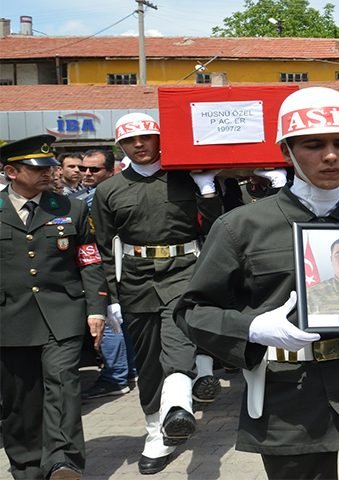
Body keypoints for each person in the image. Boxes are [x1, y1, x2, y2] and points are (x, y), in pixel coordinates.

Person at [175, 86, 339, 480]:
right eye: (313, 145)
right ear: (286, 152)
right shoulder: (241, 228)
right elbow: (192, 312)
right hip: (288, 395)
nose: (330, 155)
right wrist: (255, 329)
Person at [91, 113, 224, 474]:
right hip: (135, 279)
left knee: (177, 338)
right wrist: (112, 299)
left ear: (159, 139)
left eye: (147, 137)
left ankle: (178, 407)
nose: (140, 145)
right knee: (149, 361)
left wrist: (208, 191)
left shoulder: (186, 177)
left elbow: (217, 229)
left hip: (184, 271)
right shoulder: (108, 190)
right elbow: (104, 247)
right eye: (131, 141)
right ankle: (156, 430)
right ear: (120, 146)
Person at [1, 135, 107, 480]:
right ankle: (28, 468)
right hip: (9, 320)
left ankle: (63, 461)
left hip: (62, 315)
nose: (48, 173)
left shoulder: (70, 208)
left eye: (50, 166)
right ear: (10, 171)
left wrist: (96, 310)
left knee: (63, 386)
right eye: (37, 168)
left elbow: (89, 261)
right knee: (21, 401)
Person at [79, 147, 138, 402]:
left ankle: (115, 377)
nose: (87, 173)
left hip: (107, 266)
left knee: (109, 323)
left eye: (95, 169)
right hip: (104, 265)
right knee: (118, 322)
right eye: (83, 169)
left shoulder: (104, 196)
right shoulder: (89, 196)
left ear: (111, 170)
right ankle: (127, 371)